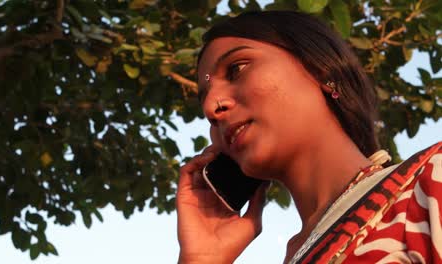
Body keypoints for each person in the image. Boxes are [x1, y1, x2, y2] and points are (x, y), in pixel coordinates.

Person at [176, 10, 442, 264]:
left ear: (320, 71)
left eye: (237, 69)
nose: (212, 107)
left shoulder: (431, 182)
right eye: (204, 101)